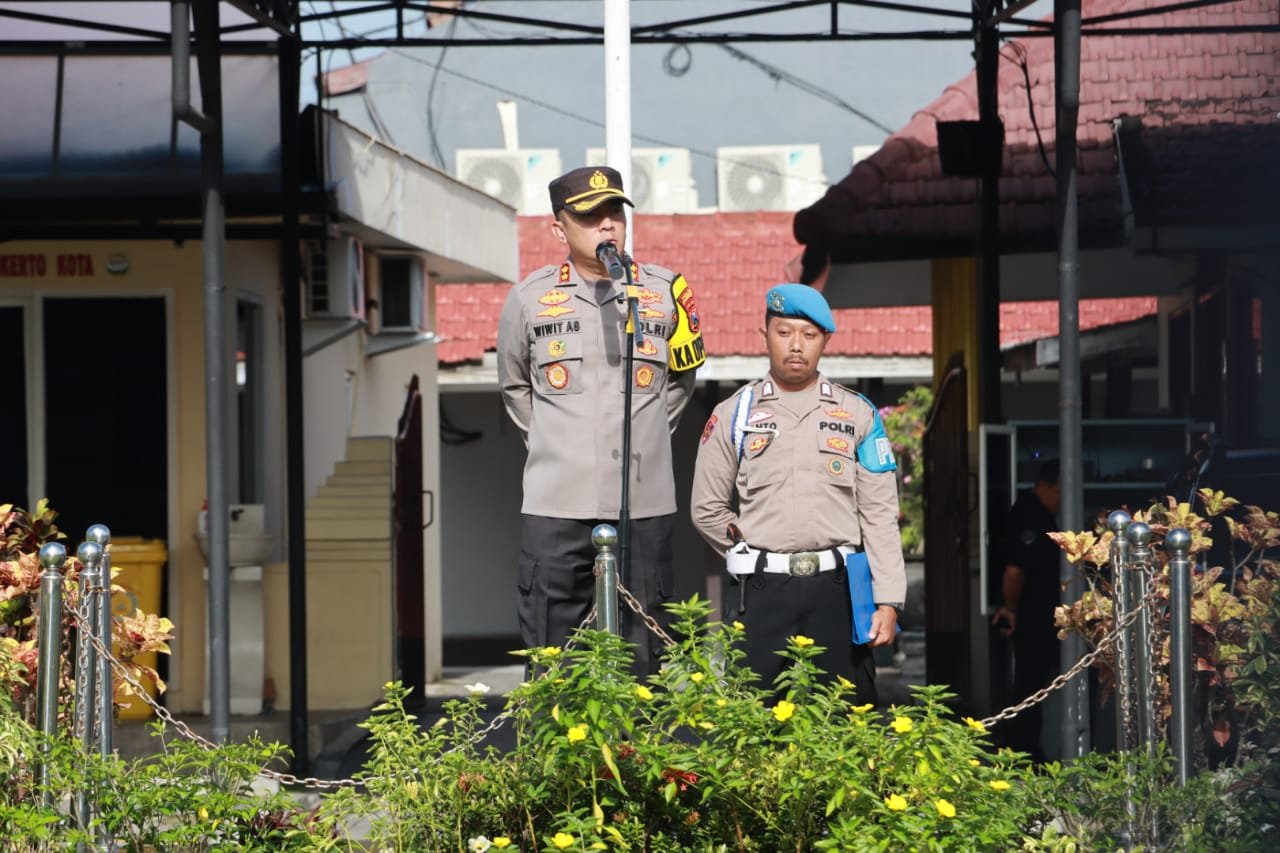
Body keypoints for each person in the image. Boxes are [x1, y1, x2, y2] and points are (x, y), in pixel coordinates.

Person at [497, 166, 705, 675]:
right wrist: (556, 444)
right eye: (590, 217)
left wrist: (648, 436)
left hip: (643, 500)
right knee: (553, 650)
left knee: (647, 651)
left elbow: (681, 380)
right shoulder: (529, 298)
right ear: (559, 229)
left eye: (615, 213)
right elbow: (515, 387)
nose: (607, 225)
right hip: (556, 502)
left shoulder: (665, 292)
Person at [690, 283, 906, 703]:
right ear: (764, 335)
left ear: (826, 340)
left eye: (808, 335)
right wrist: (748, 551)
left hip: (839, 590)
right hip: (763, 588)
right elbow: (707, 508)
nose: (795, 346)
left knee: (846, 714)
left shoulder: (857, 414)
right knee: (755, 716)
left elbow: (879, 514)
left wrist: (888, 601)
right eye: (784, 332)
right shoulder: (734, 413)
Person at [990, 459, 1061, 761]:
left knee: (1033, 682)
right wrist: (1011, 608)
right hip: (1031, 615)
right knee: (1028, 684)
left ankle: (1026, 747)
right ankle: (1023, 750)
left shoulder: (1040, 514)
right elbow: (1014, 572)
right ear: (1047, 485)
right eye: (1061, 490)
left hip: (1040, 613)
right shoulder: (1029, 516)